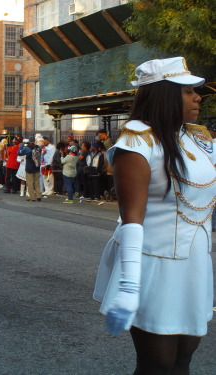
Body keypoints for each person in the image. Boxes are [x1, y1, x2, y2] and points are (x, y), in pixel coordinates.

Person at [93, 57, 215, 374]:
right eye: (188, 91)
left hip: (194, 263)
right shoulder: (137, 140)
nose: (197, 97)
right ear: (164, 93)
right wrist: (130, 285)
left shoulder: (198, 139)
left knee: (185, 355)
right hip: (152, 263)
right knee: (157, 364)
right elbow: (131, 218)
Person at [18, 136, 42, 202]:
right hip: (37, 167)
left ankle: (32, 197)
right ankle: (38, 196)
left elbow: (19, 153)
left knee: (30, 183)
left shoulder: (27, 148)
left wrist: (22, 145)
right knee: (37, 182)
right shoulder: (38, 147)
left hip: (29, 167)